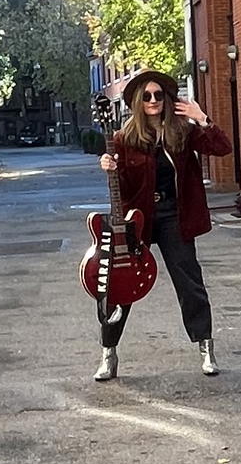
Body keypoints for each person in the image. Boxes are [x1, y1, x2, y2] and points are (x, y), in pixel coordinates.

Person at [94, 69, 232, 384]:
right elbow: (123, 188)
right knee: (120, 284)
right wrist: (110, 168)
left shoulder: (182, 131)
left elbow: (222, 148)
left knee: (189, 283)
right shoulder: (124, 139)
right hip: (136, 220)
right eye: (147, 96)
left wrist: (202, 117)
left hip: (174, 217)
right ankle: (108, 353)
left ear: (167, 99)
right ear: (137, 102)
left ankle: (206, 347)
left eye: (159, 95)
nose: (153, 100)